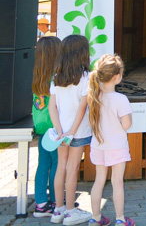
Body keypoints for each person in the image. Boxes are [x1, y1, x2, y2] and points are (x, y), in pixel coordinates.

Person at [47, 34, 93, 225]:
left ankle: (58, 210)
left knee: (61, 167)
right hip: (79, 132)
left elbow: (52, 106)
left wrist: (60, 131)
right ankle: (70, 212)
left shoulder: (57, 77)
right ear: (82, 53)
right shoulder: (86, 78)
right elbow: (83, 108)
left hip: (61, 133)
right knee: (73, 169)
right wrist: (72, 132)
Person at [87, 54, 134, 226]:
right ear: (117, 77)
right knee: (117, 182)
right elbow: (126, 125)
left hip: (98, 146)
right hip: (117, 147)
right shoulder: (121, 99)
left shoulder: (93, 97)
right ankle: (120, 219)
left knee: (99, 181)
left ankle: (96, 217)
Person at [31, 36, 62, 218]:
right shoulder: (56, 80)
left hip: (42, 128)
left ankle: (41, 202)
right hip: (55, 129)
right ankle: (57, 202)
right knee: (57, 164)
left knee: (43, 164)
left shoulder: (37, 78)